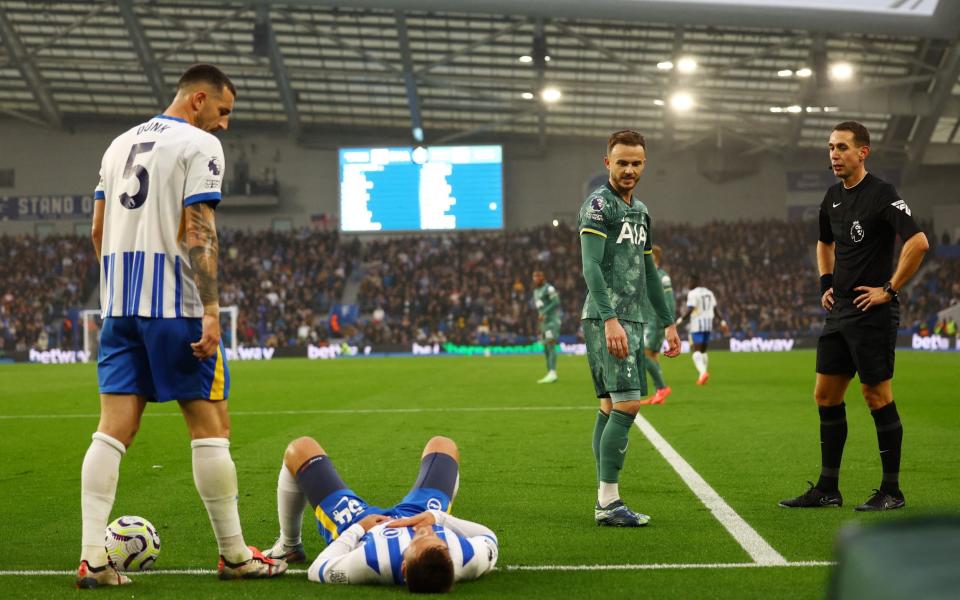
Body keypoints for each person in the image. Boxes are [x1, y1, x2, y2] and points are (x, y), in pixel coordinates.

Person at [77, 64, 287, 588]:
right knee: (211, 427)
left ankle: (92, 559)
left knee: (112, 430)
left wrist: (119, 290)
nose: (225, 124)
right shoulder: (198, 145)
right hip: (177, 308)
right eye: (223, 111)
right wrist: (211, 310)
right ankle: (236, 556)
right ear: (198, 100)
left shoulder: (117, 145)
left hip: (120, 308)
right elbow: (199, 230)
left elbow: (98, 231)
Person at [780, 121, 929, 512]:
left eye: (842, 147)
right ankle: (828, 489)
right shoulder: (831, 197)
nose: (834, 154)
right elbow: (824, 242)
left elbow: (918, 242)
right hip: (840, 310)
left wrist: (890, 290)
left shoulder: (882, 194)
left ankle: (891, 491)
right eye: (830, 147)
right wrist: (825, 282)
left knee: (875, 395)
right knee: (825, 395)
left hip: (871, 311)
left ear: (863, 152)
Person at [578, 130, 681, 527]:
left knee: (609, 406)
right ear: (608, 163)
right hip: (610, 319)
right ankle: (608, 502)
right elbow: (590, 265)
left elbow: (649, 271)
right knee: (628, 404)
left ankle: (606, 498)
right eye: (622, 162)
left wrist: (668, 320)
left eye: (636, 162)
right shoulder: (599, 205)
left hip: (635, 319)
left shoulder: (640, 210)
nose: (630, 169)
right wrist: (610, 319)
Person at [262, 435, 498, 592]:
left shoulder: (372, 563)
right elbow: (490, 538)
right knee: (442, 445)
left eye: (419, 539)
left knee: (300, 448)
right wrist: (437, 519)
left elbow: (318, 570)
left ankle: (289, 545)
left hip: (363, 525)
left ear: (404, 568)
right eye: (435, 538)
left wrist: (358, 528)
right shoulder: (464, 559)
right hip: (419, 512)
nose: (425, 532)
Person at [675, 275, 729, 385]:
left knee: (696, 352)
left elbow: (691, 309)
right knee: (703, 351)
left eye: (689, 282)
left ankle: (703, 373)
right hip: (708, 324)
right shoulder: (709, 292)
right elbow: (715, 309)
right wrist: (722, 321)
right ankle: (702, 376)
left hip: (697, 325)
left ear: (695, 282)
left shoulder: (693, 293)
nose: (688, 285)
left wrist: (681, 319)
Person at [639, 244, 674, 405]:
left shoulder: (662, 277)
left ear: (654, 257)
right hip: (648, 320)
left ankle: (662, 387)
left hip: (657, 321)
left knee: (643, 354)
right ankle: (659, 393)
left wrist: (669, 323)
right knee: (652, 355)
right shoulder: (648, 275)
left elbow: (670, 301)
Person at [532, 269, 561, 383]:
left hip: (552, 322)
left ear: (542, 277)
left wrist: (544, 313)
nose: (536, 278)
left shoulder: (549, 288)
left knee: (551, 344)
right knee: (546, 348)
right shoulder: (536, 291)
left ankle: (553, 372)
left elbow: (556, 302)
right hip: (544, 324)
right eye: (534, 276)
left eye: (538, 276)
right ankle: (549, 373)